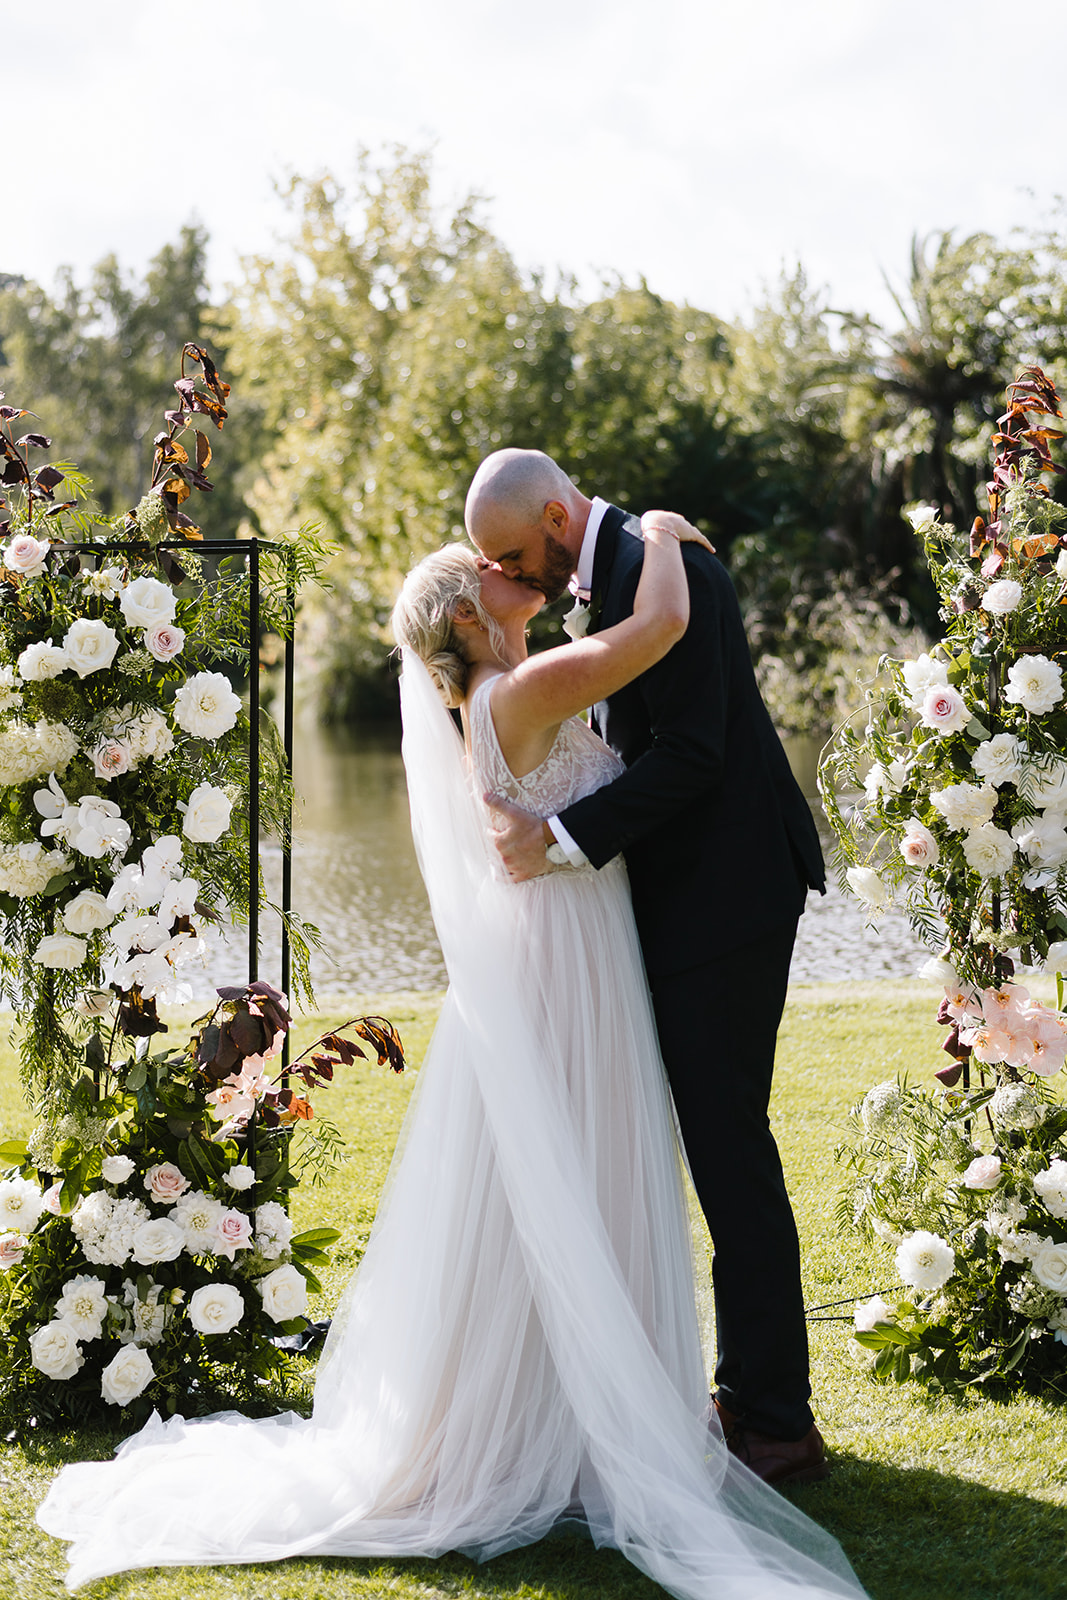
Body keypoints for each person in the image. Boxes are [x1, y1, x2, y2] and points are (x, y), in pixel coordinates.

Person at [36, 518, 864, 1600]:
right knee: (577, 1166)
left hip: (573, 950)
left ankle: (575, 1409)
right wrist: (660, 530)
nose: (507, 574)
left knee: (570, 1175)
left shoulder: (501, 695)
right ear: (467, 617)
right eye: (485, 575)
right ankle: (574, 1418)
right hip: (570, 962)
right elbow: (660, 624)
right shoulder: (516, 696)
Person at [465, 449, 827, 1485]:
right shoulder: (622, 566)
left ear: (552, 512)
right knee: (711, 1145)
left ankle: (772, 1422)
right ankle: (739, 1387)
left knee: (728, 1150)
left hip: (729, 896)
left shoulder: (667, 568)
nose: (509, 573)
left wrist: (563, 837)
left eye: (509, 552)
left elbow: (695, 751)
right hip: (680, 900)